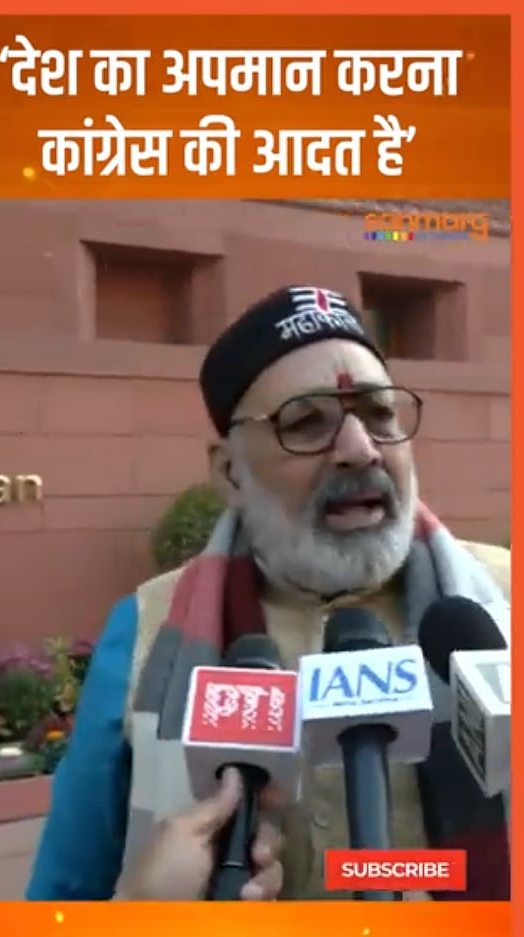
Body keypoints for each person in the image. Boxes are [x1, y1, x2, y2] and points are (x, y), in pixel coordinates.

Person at [26, 285, 510, 902]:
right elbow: (61, 901)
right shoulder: (145, 631)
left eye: (380, 414)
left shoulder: (503, 601)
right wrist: (145, 922)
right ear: (230, 473)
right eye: (306, 423)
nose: (359, 449)